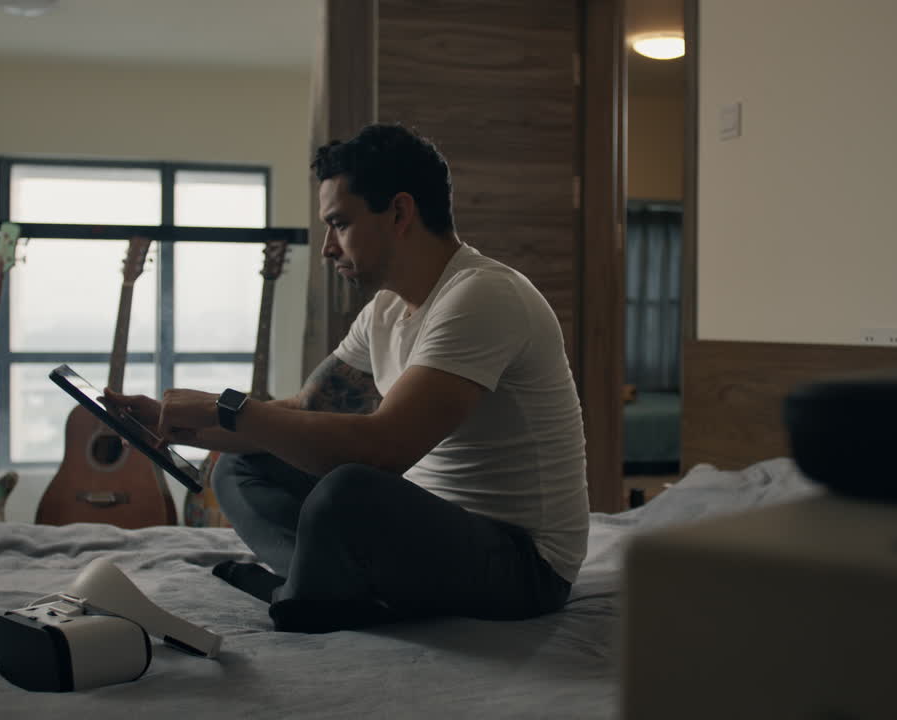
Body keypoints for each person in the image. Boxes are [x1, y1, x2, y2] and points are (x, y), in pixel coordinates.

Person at [104, 123, 588, 633]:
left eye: (339, 224)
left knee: (349, 490)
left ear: (399, 212)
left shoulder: (483, 296)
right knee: (240, 467)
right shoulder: (385, 310)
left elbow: (385, 449)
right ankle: (321, 590)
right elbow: (303, 411)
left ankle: (304, 594)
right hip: (431, 535)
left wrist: (229, 407)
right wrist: (176, 425)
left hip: (523, 567)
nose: (327, 248)